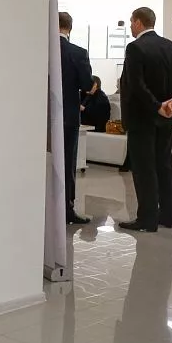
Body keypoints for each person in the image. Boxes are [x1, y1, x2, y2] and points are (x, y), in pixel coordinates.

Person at [118, 7, 172, 233]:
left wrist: (157, 106)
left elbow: (136, 85)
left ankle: (147, 219)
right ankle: (167, 216)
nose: (130, 26)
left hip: (143, 119)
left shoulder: (135, 47)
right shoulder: (171, 47)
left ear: (139, 22)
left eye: (131, 21)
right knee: (164, 165)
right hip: (167, 118)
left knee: (144, 169)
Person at [59, 12, 94, 225]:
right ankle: (66, 209)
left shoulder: (40, 50)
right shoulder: (78, 53)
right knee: (68, 162)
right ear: (69, 28)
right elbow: (87, 84)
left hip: (43, 116)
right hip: (68, 116)